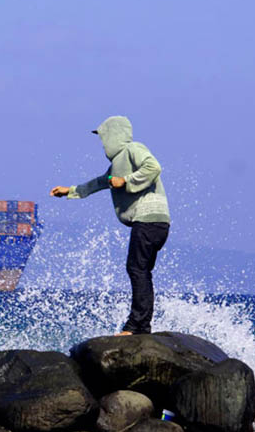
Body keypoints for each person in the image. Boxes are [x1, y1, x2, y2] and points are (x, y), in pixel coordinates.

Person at [50, 116, 170, 336]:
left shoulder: (134, 148)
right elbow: (100, 182)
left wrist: (126, 181)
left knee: (136, 269)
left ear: (115, 134)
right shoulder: (117, 163)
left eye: (104, 137)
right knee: (141, 270)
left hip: (149, 219)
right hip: (155, 223)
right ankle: (142, 326)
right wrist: (70, 190)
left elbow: (154, 167)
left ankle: (135, 326)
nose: (103, 143)